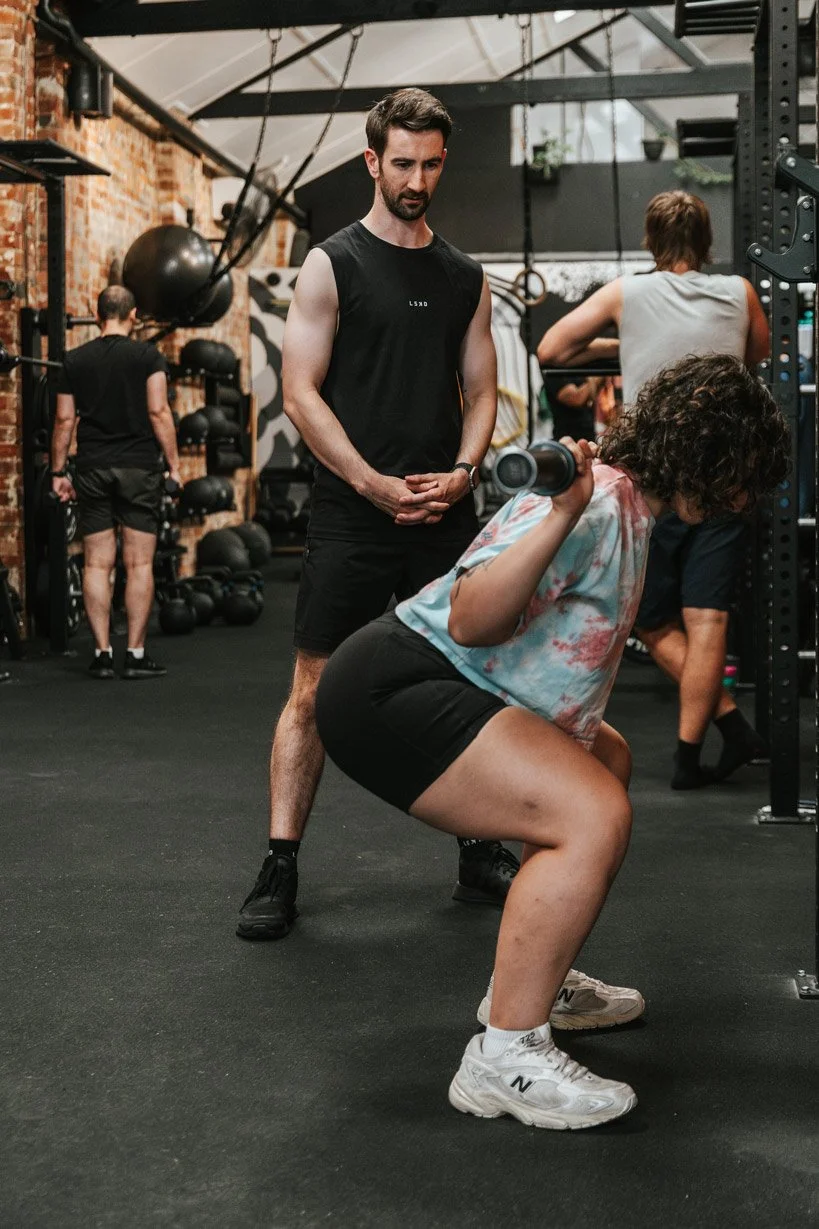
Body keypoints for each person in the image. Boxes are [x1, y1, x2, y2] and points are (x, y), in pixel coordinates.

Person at [314, 354, 789, 1130]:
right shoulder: (595, 503)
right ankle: (504, 1056)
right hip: (392, 688)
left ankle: (537, 978)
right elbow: (470, 618)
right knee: (589, 812)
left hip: (451, 683)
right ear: (711, 454)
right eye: (742, 475)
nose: (744, 497)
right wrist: (562, 511)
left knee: (606, 761)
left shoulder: (630, 503)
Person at [237, 88, 519, 942]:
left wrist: (466, 470)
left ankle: (477, 845)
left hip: (440, 511)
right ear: (372, 161)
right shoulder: (333, 264)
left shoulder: (463, 277)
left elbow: (480, 392)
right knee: (312, 691)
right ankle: (280, 861)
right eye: (402, 163)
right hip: (354, 511)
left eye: (431, 163)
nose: (417, 179)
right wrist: (367, 481)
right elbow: (299, 393)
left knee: (467, 678)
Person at [536, 190, 772, 789]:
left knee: (647, 617)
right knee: (708, 617)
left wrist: (623, 342)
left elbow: (551, 349)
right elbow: (755, 358)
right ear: (706, 242)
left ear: (651, 240)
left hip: (661, 477)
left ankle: (728, 729)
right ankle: (695, 755)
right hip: (727, 473)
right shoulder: (740, 293)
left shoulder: (628, 293)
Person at [51, 285, 180, 680]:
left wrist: (58, 472)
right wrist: (174, 466)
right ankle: (136, 655)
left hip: (92, 468)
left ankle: (103, 653)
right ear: (134, 314)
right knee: (138, 562)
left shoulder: (74, 359)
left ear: (97, 313)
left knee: (96, 562)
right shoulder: (148, 356)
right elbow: (158, 411)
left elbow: (64, 420)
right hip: (139, 469)